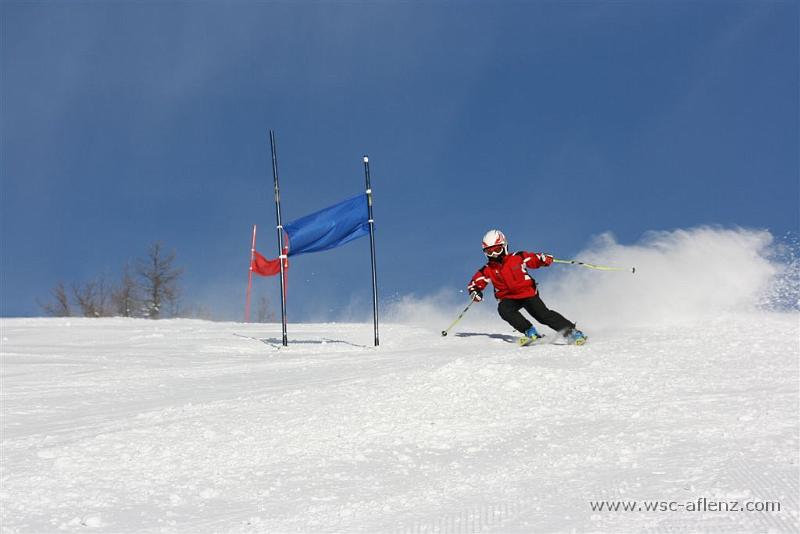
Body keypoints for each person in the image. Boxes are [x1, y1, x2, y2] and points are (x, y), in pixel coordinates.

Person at [467, 229, 587, 345]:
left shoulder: (517, 257)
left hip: (527, 294)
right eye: (489, 252)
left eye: (497, 250)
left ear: (504, 247)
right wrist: (475, 291)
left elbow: (533, 259)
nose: (494, 254)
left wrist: (542, 259)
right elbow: (475, 282)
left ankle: (572, 332)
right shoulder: (488, 269)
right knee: (504, 310)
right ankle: (529, 331)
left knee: (543, 316)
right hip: (508, 298)